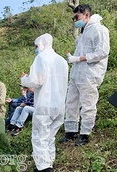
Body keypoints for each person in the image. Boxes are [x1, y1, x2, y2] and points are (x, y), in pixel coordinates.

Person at [60, 4, 110, 146]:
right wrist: (73, 58)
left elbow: (102, 52)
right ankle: (71, 131)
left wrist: (80, 58)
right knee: (71, 102)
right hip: (77, 73)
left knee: (88, 103)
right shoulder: (83, 32)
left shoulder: (99, 29)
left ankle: (85, 134)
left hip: (90, 73)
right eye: (74, 18)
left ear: (86, 15)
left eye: (77, 17)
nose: (75, 20)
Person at [21, 33, 68, 172]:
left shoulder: (41, 58)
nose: (36, 49)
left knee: (40, 136)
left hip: (45, 104)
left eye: (36, 46)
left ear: (41, 44)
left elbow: (35, 81)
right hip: (59, 105)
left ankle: (43, 169)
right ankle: (48, 162)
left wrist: (24, 79)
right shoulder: (61, 61)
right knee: (50, 136)